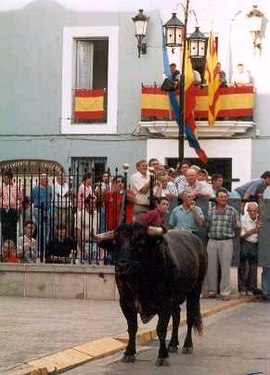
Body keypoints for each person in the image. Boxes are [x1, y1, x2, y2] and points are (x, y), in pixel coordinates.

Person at [206, 188, 241, 301]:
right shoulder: (210, 211)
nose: (223, 199)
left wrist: (230, 237)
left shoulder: (232, 211)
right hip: (212, 241)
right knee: (211, 266)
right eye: (221, 197)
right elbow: (207, 225)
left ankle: (225, 292)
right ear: (216, 198)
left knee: (225, 267)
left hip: (226, 241)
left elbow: (238, 228)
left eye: (225, 197)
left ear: (227, 198)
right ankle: (212, 290)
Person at [238, 202, 262, 296]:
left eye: (254, 211)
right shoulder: (243, 219)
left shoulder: (260, 218)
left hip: (256, 244)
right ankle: (243, 288)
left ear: (257, 211)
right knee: (243, 266)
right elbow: (243, 235)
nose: (252, 212)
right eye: (250, 210)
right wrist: (255, 230)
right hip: (246, 242)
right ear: (247, 211)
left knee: (253, 267)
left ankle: (252, 288)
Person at [0, 170, 23, 245]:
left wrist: (19, 205)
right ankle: (5, 247)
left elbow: (21, 198)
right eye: (4, 178)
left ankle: (13, 247)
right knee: (4, 229)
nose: (4, 179)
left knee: (13, 229)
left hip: (13, 209)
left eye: (6, 178)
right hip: (3, 209)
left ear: (10, 178)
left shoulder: (17, 187)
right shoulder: (1, 187)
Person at [30, 172, 52, 251]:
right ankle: (39, 247)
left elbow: (50, 198)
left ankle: (45, 246)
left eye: (46, 179)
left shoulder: (50, 188)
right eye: (44, 179)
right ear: (40, 180)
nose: (46, 180)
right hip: (38, 209)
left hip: (47, 209)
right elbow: (31, 199)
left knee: (47, 229)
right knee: (40, 228)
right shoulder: (35, 189)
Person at [75, 196, 99, 264]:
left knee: (95, 268)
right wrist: (82, 250)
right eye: (92, 203)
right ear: (86, 204)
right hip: (84, 244)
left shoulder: (97, 214)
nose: (93, 205)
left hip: (95, 244)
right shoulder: (80, 215)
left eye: (94, 203)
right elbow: (78, 233)